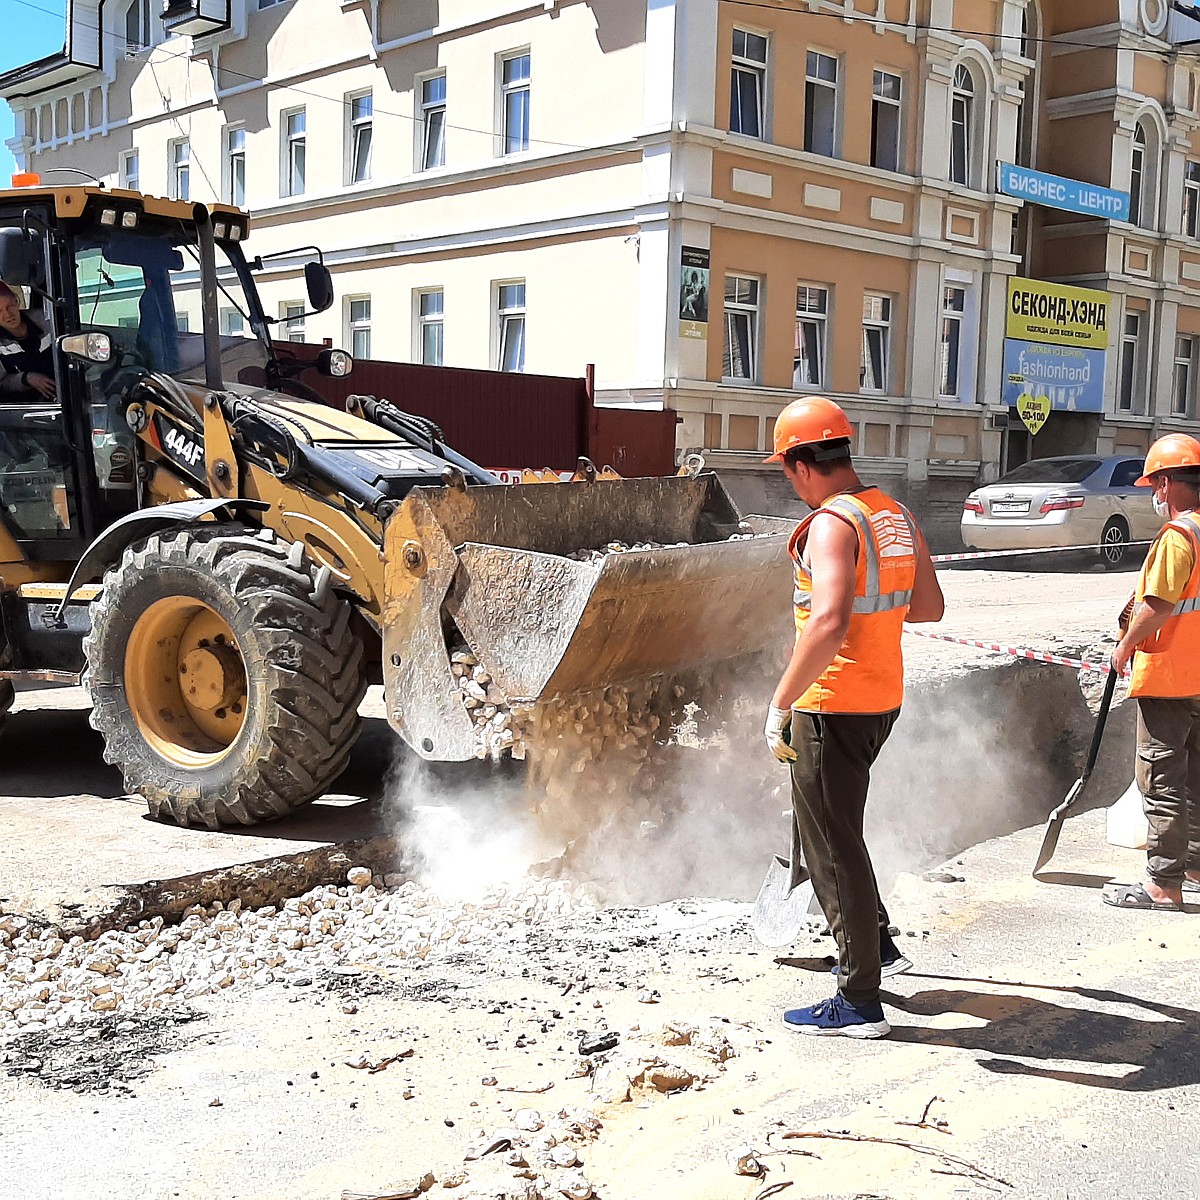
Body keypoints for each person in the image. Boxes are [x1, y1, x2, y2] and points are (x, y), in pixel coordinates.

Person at [762, 395, 944, 1038]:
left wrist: (782, 700)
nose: (789, 481)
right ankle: (879, 944)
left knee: (834, 845)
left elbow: (830, 621)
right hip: (880, 698)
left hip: (830, 704)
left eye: (786, 469)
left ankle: (858, 997)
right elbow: (927, 607)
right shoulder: (894, 515)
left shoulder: (833, 525)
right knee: (840, 830)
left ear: (800, 462)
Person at [1107, 433, 1200, 911]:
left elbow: (1159, 605)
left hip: (1170, 677)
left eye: (1156, 486)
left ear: (1168, 482)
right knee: (1197, 776)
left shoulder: (1180, 535)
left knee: (1162, 778)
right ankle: (1195, 868)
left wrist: (1124, 647)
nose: (1155, 496)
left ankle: (1164, 885)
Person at [0, 280, 56, 400]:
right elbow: (3, 383)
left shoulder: (47, 321)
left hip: (66, 391)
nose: (8, 314)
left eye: (10, 306)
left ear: (17, 302)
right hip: (27, 406)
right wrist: (27, 378)